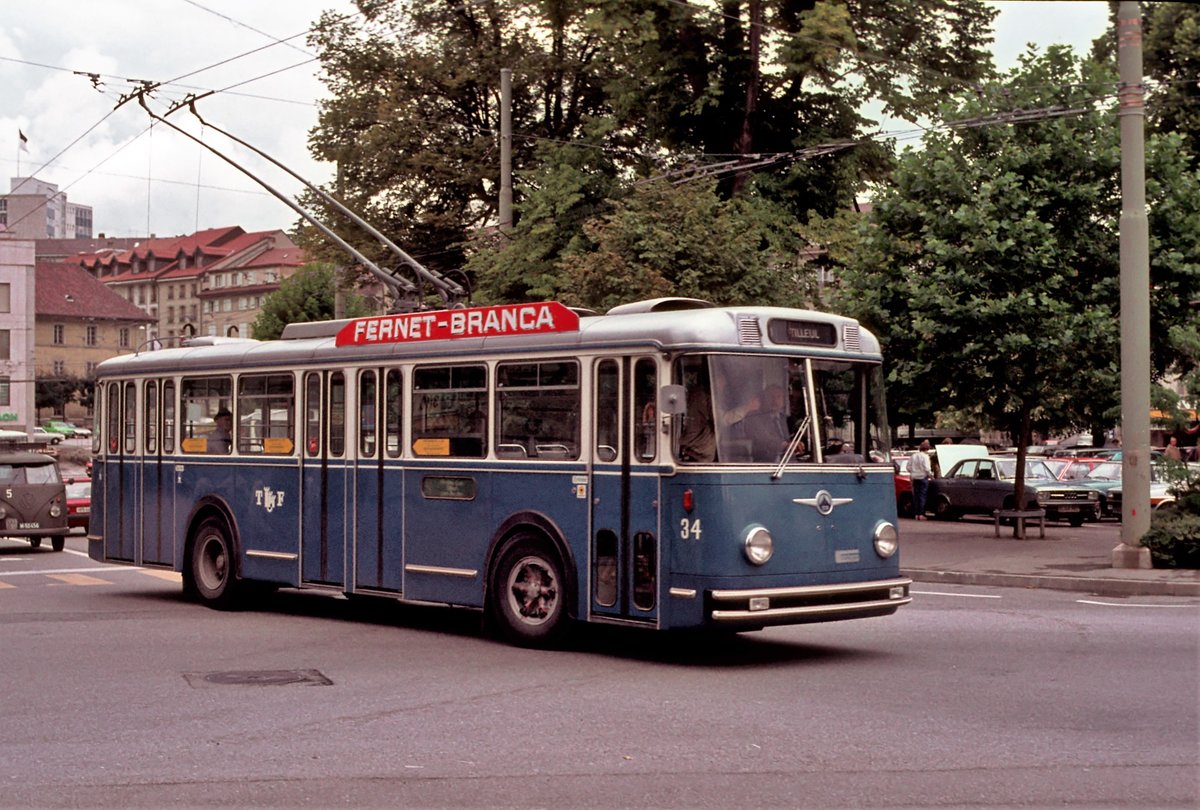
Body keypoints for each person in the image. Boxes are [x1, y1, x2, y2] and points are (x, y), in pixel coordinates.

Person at [908, 440, 932, 519]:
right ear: (927, 449)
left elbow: (908, 467)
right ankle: (921, 514)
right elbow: (927, 468)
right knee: (922, 496)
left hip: (914, 477)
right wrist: (931, 475)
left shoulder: (913, 456)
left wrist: (913, 472)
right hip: (923, 477)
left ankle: (916, 514)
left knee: (916, 496)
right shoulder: (925, 457)